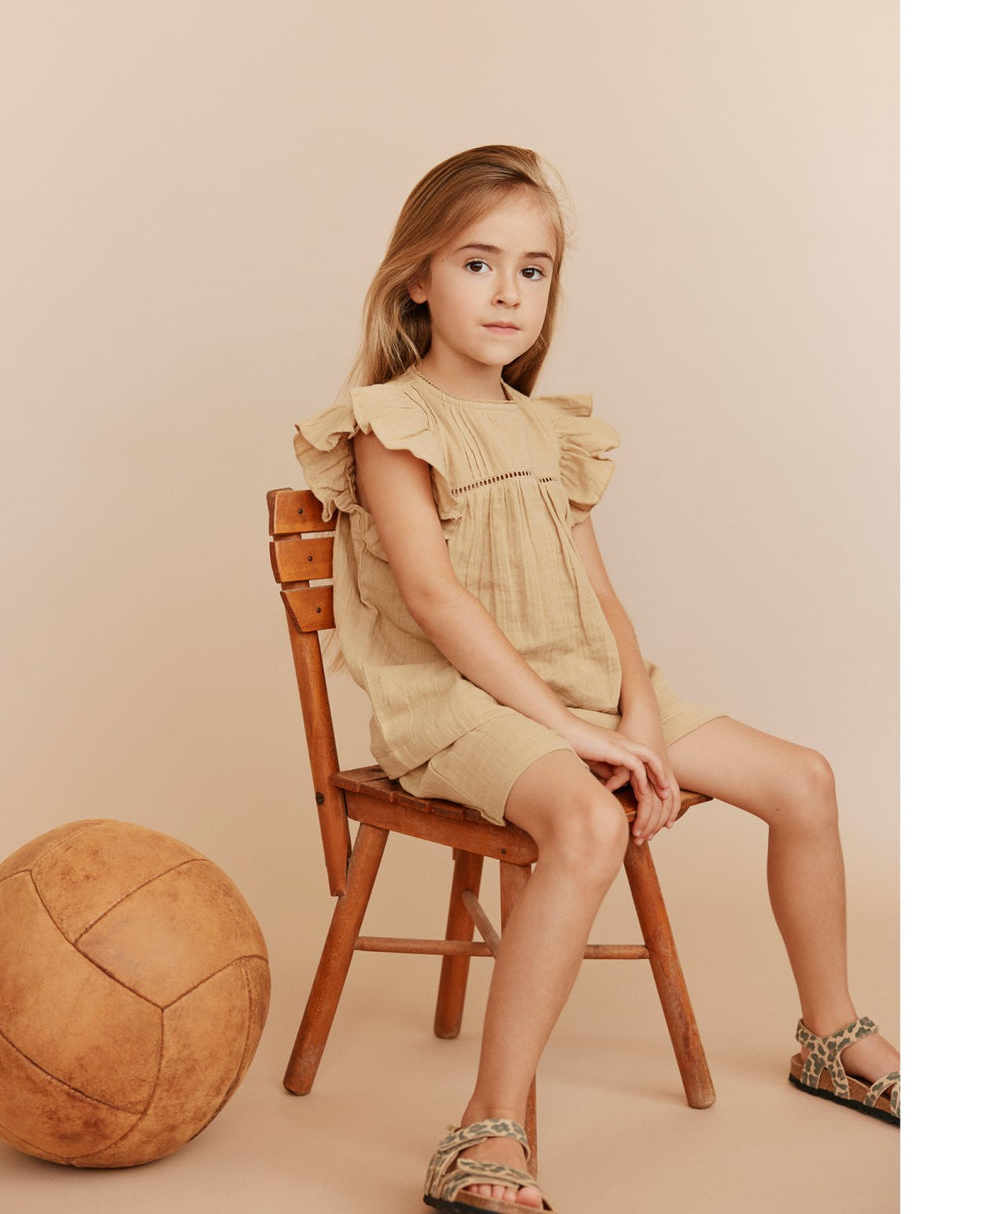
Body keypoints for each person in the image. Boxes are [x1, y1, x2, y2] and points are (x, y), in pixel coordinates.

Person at [294, 145, 899, 1214]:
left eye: (532, 270)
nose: (508, 292)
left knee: (804, 779)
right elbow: (436, 601)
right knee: (584, 823)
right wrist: (574, 739)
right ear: (417, 278)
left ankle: (830, 1033)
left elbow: (601, 598)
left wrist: (635, 722)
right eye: (478, 263)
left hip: (581, 688)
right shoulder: (393, 422)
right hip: (461, 704)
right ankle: (484, 1126)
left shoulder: (549, 428)